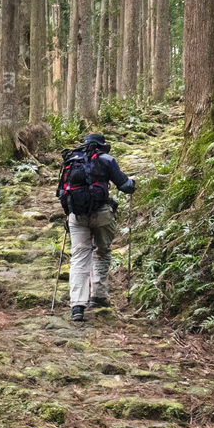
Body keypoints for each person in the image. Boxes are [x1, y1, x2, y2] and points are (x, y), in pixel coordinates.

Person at [57, 132, 135, 320]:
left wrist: (69, 215)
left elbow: (61, 192)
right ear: (102, 145)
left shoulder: (71, 161)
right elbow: (125, 186)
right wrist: (133, 183)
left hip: (76, 215)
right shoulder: (106, 159)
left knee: (79, 256)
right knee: (102, 251)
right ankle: (98, 295)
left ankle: (77, 305)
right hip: (102, 213)